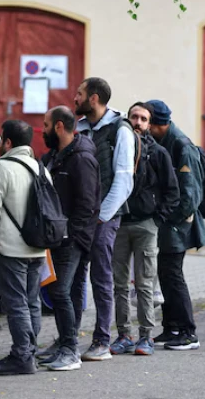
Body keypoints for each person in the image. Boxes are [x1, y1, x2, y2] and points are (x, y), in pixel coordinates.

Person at [70, 77, 135, 361]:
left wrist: (102, 217)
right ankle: (67, 339)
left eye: (80, 93)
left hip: (103, 218)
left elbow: (124, 180)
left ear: (93, 98)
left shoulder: (120, 130)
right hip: (80, 217)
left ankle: (101, 341)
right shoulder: (81, 129)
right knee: (72, 278)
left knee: (101, 278)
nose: (75, 97)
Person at [110, 102, 179, 356]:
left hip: (146, 225)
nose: (138, 122)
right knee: (118, 284)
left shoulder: (159, 153)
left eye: (143, 118)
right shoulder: (117, 149)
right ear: (127, 120)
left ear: (149, 124)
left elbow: (173, 192)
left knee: (144, 284)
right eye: (134, 117)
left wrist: (156, 220)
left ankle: (146, 337)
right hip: (119, 225)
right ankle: (123, 334)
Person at [0, 120, 49, 375]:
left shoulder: (1, 168)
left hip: (10, 249)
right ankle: (27, 353)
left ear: (8, 142)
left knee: (16, 304)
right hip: (38, 247)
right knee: (32, 302)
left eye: (0, 140)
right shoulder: (40, 168)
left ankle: (22, 356)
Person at [39, 106, 100, 371]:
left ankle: (70, 350)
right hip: (59, 235)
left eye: (45, 125)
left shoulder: (81, 158)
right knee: (69, 291)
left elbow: (87, 203)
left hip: (72, 238)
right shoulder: (55, 156)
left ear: (59, 127)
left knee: (59, 291)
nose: (42, 130)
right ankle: (66, 342)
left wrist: (71, 235)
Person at [147, 99, 205, 350]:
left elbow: (190, 195)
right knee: (165, 274)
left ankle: (187, 331)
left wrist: (168, 220)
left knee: (173, 275)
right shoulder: (163, 142)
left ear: (158, 124)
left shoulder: (181, 145)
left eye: (148, 122)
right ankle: (170, 326)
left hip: (178, 225)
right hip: (168, 224)